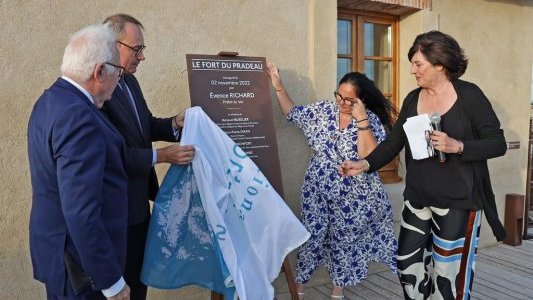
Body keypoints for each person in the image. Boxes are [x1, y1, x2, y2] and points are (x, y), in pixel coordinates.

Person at [340, 31, 507, 300]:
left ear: (439, 63)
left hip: (459, 202)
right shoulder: (412, 98)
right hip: (418, 199)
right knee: (407, 266)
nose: (412, 70)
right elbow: (395, 141)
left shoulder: (470, 96)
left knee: (447, 275)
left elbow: (497, 143)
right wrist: (365, 164)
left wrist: (459, 145)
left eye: (418, 64)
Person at [267, 63, 398, 299]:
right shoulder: (322, 111)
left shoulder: (370, 121)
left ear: (361, 100)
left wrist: (361, 120)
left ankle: (337, 292)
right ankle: (299, 290)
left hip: (355, 194)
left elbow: (371, 157)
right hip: (317, 187)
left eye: (349, 99)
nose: (342, 102)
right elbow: (292, 113)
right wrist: (277, 84)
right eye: (340, 95)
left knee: (344, 240)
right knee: (311, 234)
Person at [28, 24, 130, 299]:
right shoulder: (78, 116)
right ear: (99, 72)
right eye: (118, 73)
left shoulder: (50, 99)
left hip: (65, 259)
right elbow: (81, 212)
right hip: (83, 272)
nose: (119, 82)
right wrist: (111, 282)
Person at [101, 14, 194, 300]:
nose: (142, 57)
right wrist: (163, 155)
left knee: (139, 283)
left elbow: (146, 125)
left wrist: (174, 124)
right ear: (112, 44)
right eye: (136, 48)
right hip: (115, 211)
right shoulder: (99, 88)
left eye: (143, 49)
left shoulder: (130, 83)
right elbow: (113, 154)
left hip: (140, 206)